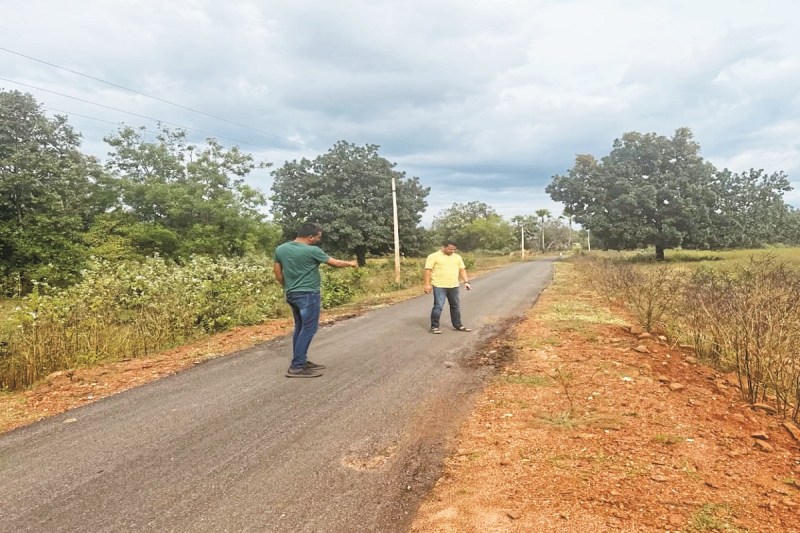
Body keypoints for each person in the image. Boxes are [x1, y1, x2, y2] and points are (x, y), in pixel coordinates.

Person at [273, 222, 358, 377]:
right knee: (309, 329)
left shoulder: (280, 249)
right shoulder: (313, 250)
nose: (319, 240)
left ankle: (301, 359)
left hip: (291, 294)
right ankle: (297, 366)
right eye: (318, 237)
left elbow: (278, 273)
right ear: (310, 237)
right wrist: (351, 263)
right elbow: (336, 263)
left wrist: (288, 286)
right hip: (308, 295)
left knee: (300, 327)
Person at [423, 241, 472, 334]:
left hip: (454, 285)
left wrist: (466, 282)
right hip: (439, 286)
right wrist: (427, 284)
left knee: (455, 306)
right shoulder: (433, 256)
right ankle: (434, 327)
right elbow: (428, 271)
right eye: (450, 249)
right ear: (444, 247)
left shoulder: (457, 257)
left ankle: (458, 325)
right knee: (438, 306)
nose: (452, 251)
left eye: (454, 249)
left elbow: (462, 270)